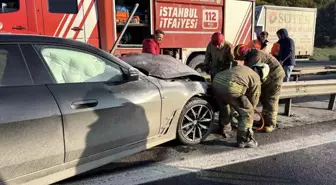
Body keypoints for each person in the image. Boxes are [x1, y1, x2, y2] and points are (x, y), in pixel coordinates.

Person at [212, 61, 270, 148]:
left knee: (225, 106)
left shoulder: (244, 68)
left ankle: (224, 129)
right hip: (230, 87)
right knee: (248, 111)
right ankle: (244, 140)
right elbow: (254, 99)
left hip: (216, 82)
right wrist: (248, 111)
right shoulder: (256, 77)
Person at [233, 44, 285, 133]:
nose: (240, 60)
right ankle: (263, 121)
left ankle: (270, 124)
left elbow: (252, 76)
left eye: (240, 57)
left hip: (275, 76)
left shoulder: (256, 57)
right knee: (264, 99)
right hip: (266, 78)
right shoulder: (250, 56)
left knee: (271, 99)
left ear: (244, 54)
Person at [204, 32, 236, 137]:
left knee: (224, 100)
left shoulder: (228, 46)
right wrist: (206, 66)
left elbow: (234, 61)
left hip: (225, 75)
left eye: (219, 45)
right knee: (216, 96)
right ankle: (219, 118)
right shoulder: (210, 45)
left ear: (223, 42)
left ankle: (226, 125)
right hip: (214, 73)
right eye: (215, 45)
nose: (217, 47)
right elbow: (207, 56)